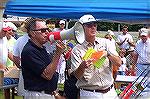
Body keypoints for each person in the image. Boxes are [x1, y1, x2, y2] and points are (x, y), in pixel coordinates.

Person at [70, 14, 121, 99]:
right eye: (89, 25)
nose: (93, 27)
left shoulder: (106, 42)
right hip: (89, 94)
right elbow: (76, 76)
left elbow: (119, 63)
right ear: (81, 28)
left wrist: (108, 54)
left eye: (95, 25)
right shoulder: (77, 50)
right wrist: (82, 67)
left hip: (110, 92)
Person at [21, 18, 65, 99]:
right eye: (43, 30)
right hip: (37, 95)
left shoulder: (40, 48)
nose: (47, 32)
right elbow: (47, 75)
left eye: (47, 29)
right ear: (33, 33)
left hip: (44, 94)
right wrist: (58, 53)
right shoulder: (29, 51)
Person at [134, 28, 150, 97]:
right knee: (139, 81)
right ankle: (140, 96)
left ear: (148, 36)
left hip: (149, 65)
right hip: (140, 65)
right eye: (142, 36)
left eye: (145, 36)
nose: (143, 37)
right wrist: (133, 66)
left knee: (148, 82)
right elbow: (135, 55)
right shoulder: (138, 43)